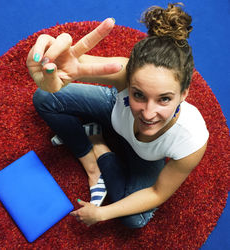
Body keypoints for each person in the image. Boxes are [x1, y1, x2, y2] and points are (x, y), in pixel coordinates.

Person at [26, 3, 209, 228]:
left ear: (184, 94)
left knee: (135, 220)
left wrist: (101, 214)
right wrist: (50, 63)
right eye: (138, 94)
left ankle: (98, 142)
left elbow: (157, 193)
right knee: (45, 97)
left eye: (164, 99)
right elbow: (70, 65)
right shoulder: (123, 72)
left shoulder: (192, 139)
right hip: (114, 109)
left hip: (145, 157)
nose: (148, 114)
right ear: (128, 81)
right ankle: (92, 163)